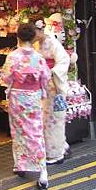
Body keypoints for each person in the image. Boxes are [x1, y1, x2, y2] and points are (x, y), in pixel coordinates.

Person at [0, 22, 51, 190]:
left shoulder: (13, 57)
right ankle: (42, 170)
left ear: (18, 37)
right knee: (35, 131)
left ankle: (21, 164)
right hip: (34, 97)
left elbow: (6, 77)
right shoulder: (39, 58)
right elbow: (45, 77)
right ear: (33, 37)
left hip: (17, 97)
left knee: (18, 131)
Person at [34, 18, 71, 165]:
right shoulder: (37, 44)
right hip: (44, 84)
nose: (34, 36)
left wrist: (52, 72)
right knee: (46, 119)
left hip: (54, 85)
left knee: (55, 119)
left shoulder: (53, 43)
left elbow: (64, 60)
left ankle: (57, 153)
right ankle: (60, 146)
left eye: (35, 32)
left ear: (41, 30)